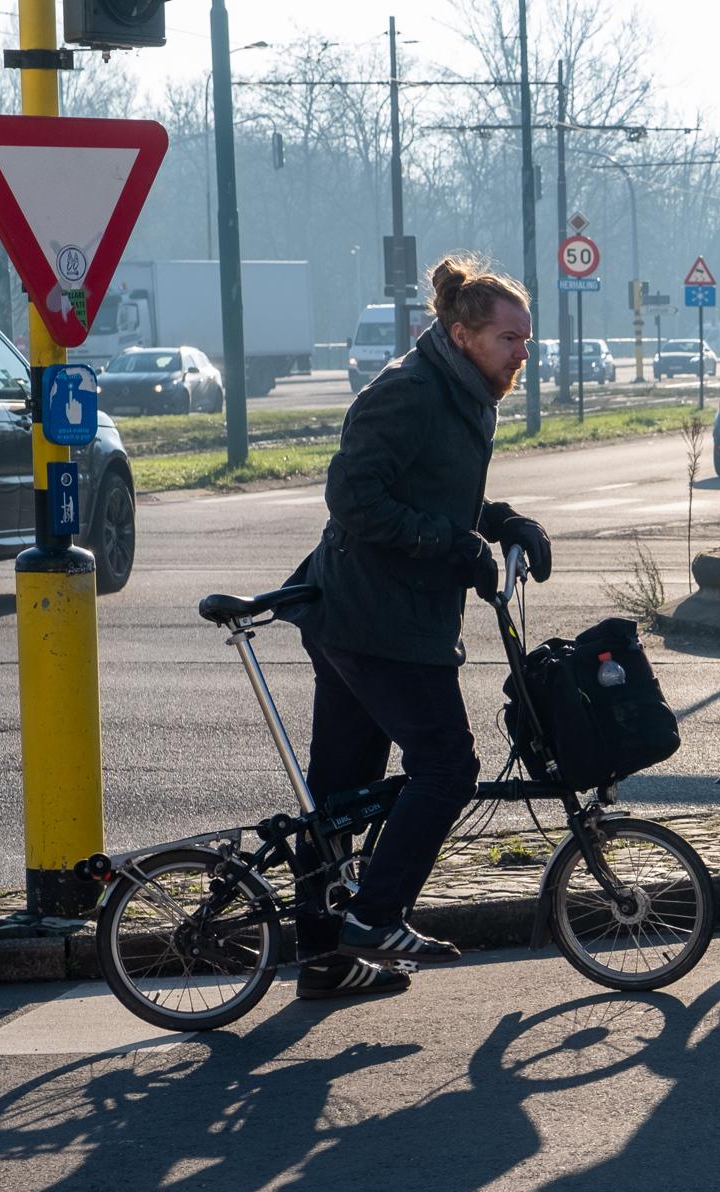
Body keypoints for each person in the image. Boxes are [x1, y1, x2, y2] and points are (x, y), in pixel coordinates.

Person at [280, 254, 550, 1001]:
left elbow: (437, 494)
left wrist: (501, 522)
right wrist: (450, 543)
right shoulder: (407, 392)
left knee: (341, 793)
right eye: (510, 339)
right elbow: (355, 500)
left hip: (373, 614)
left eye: (527, 339)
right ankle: (376, 914)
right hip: (375, 618)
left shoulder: (464, 390)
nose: (522, 353)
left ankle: (325, 962)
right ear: (463, 334)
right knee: (446, 766)